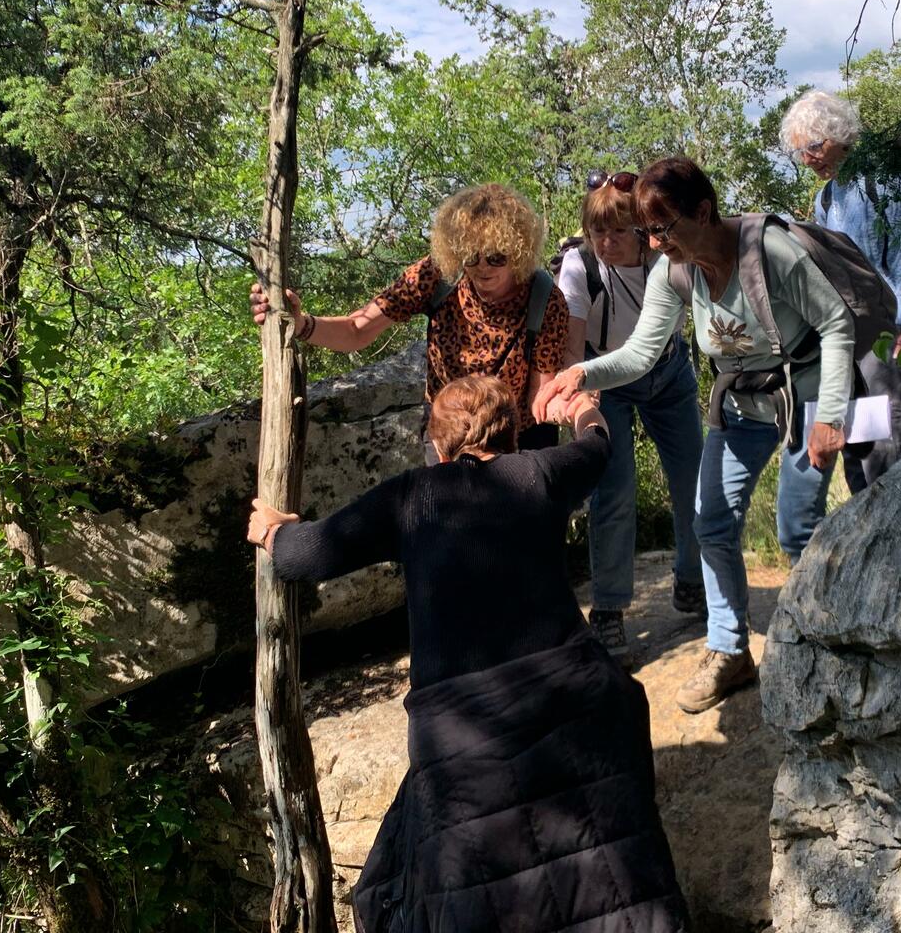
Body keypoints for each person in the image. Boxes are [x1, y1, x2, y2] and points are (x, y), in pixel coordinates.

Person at [248, 375, 691, 932]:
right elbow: (598, 444)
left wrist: (273, 531)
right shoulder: (541, 472)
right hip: (571, 696)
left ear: (438, 447)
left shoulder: (411, 496)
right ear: (511, 437)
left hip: (461, 730)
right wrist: (581, 407)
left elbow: (307, 557)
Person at [535, 157, 856, 714]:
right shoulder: (674, 270)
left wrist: (831, 414)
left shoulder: (770, 252)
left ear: (703, 212)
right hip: (741, 405)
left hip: (804, 399)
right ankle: (729, 650)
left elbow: (836, 322)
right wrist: (581, 374)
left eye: (662, 229)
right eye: (647, 232)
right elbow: (641, 353)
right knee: (712, 521)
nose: (655, 244)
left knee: (796, 525)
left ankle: (829, 640)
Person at [250, 183, 570, 458]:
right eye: (471, 256)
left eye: (496, 256)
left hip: (515, 440)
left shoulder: (545, 299)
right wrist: (301, 323)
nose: (482, 267)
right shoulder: (436, 277)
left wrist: (576, 406)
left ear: (518, 251)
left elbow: (539, 400)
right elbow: (357, 329)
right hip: (447, 437)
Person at [775, 90, 901, 544]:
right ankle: (872, 542)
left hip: (894, 338)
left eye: (815, 146)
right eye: (801, 152)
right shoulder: (828, 198)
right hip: (852, 341)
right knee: (858, 441)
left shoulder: (885, 183)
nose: (808, 159)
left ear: (841, 136)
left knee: (891, 442)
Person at [556, 169, 706, 654]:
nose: (606, 242)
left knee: (693, 478)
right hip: (606, 381)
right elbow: (572, 347)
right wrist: (580, 398)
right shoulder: (579, 266)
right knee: (614, 489)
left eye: (619, 230)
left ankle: (692, 580)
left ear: (642, 230)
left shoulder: (667, 256)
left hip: (669, 372)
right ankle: (608, 608)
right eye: (597, 230)